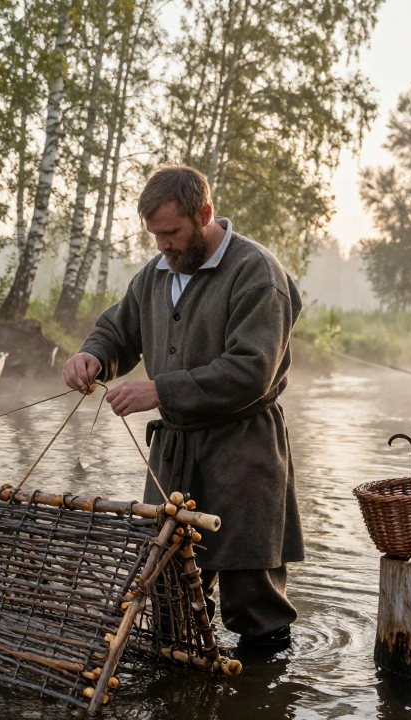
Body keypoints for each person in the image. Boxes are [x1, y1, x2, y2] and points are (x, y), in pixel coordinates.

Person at [62, 165, 303, 649]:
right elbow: (118, 330)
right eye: (155, 235)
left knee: (252, 598)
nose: (162, 245)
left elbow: (250, 371)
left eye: (171, 232)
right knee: (169, 593)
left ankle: (260, 696)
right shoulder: (155, 274)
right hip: (173, 457)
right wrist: (93, 355)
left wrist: (160, 391)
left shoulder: (257, 273)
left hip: (243, 452)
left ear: (205, 215)